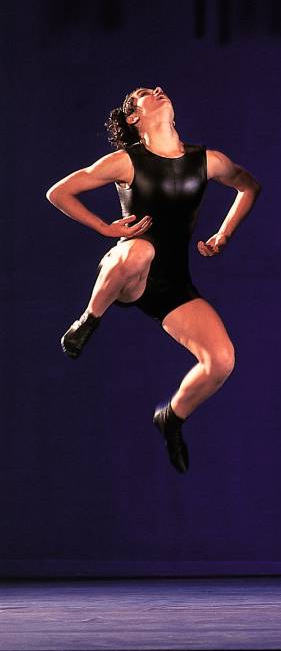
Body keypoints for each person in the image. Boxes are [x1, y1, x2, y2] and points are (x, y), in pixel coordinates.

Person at [46, 87, 261, 474]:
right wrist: (103, 228)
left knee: (221, 361)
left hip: (172, 286)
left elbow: (248, 186)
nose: (159, 91)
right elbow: (59, 192)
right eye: (146, 93)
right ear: (134, 118)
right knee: (143, 250)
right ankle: (88, 320)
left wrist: (224, 234)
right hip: (129, 270)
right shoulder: (126, 162)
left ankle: (172, 418)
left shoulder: (207, 161)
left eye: (160, 89)